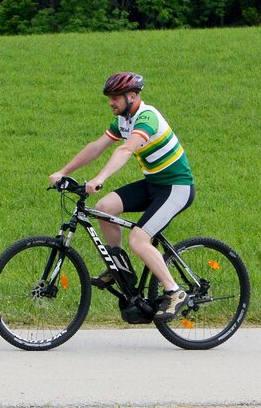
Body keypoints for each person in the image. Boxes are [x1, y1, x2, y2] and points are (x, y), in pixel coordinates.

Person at [48, 72, 195, 321]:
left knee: (138, 239)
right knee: (104, 207)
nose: (110, 102)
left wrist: (99, 178)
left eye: (115, 97)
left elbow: (126, 149)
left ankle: (174, 291)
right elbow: (96, 146)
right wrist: (63, 171)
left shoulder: (147, 118)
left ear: (132, 96)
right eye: (109, 98)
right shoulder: (123, 121)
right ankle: (121, 270)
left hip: (176, 188)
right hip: (154, 184)